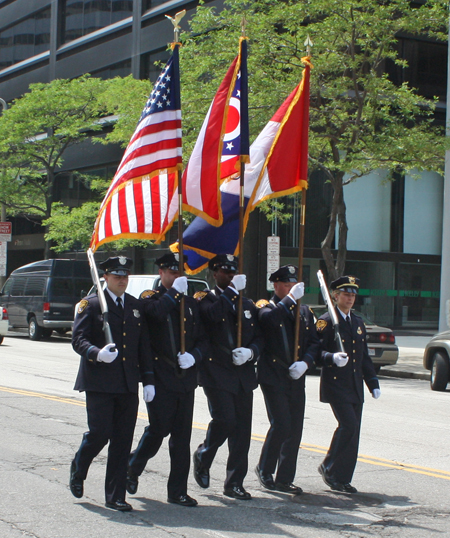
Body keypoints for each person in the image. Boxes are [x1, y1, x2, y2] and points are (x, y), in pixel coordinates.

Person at [70, 256, 154, 512]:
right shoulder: (92, 304)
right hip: (100, 382)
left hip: (127, 384)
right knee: (100, 434)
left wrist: (148, 380)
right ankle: (80, 465)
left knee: (122, 440)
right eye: (116, 276)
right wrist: (96, 353)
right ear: (105, 277)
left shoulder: (135, 306)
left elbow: (143, 347)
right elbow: (78, 339)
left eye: (125, 276)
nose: (121, 280)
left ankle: (115, 496)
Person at [126, 252, 209, 507]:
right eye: (171, 272)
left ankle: (177, 491)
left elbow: (204, 339)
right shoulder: (151, 299)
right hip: (160, 375)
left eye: (178, 272)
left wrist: (194, 356)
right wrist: (174, 294)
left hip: (184, 377)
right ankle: (132, 465)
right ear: (161, 272)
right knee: (159, 429)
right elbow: (156, 315)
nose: (175, 276)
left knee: (182, 437)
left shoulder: (191, 304)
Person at [193, 254, 263, 500]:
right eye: (225, 272)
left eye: (234, 272)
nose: (231, 275)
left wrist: (251, 352)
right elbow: (212, 316)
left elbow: (259, 338)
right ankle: (204, 454)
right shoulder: (204, 299)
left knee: (242, 431)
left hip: (242, 374)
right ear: (215, 273)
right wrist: (232, 291)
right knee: (225, 420)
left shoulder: (247, 303)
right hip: (216, 372)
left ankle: (234, 482)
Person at [255, 265, 320, 495]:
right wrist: (291, 300)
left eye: (293, 285)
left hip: (296, 376)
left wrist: (306, 363)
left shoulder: (304, 311)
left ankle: (284, 478)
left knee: (294, 429)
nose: (291, 288)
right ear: (275, 285)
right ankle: (264, 469)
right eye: (286, 284)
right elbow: (270, 321)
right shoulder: (265, 306)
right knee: (281, 424)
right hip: (273, 374)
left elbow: (314, 342)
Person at [316, 275, 381, 493]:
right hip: (336, 384)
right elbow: (315, 352)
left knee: (354, 433)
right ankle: (328, 465)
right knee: (348, 426)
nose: (351, 298)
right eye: (346, 294)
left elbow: (363, 358)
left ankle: (341, 478)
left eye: (353, 294)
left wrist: (372, 382)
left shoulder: (358, 322)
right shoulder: (326, 320)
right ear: (335, 296)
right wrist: (331, 357)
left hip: (354, 385)